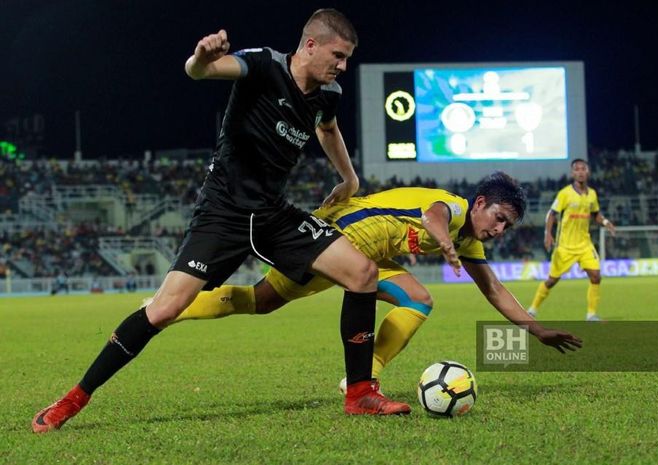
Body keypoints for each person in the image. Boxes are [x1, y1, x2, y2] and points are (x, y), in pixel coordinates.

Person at [32, 9, 410, 434]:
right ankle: (74, 398)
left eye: (347, 58)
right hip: (223, 211)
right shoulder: (264, 66)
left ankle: (359, 393)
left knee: (362, 272)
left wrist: (350, 177)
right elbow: (203, 70)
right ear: (310, 45)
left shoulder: (328, 92)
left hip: (272, 213)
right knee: (165, 309)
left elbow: (328, 129)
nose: (342, 66)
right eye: (338, 56)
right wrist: (200, 56)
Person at [171, 173, 583, 384]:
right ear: (479, 204)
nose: (499, 231)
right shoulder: (455, 210)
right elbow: (434, 214)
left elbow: (494, 290)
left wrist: (537, 330)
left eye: (507, 227)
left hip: (366, 256)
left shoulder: (469, 239)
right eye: (498, 219)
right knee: (260, 301)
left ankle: (362, 376)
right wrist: (443, 240)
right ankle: (172, 306)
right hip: (334, 237)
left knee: (419, 299)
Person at [527, 158, 616, 321]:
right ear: (572, 173)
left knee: (596, 276)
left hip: (584, 245)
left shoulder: (592, 194)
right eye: (577, 169)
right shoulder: (565, 193)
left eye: (583, 169)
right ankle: (532, 309)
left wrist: (605, 222)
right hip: (565, 246)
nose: (580, 172)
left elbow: (595, 214)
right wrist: (548, 234)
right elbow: (551, 214)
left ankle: (591, 315)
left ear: (588, 172)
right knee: (552, 280)